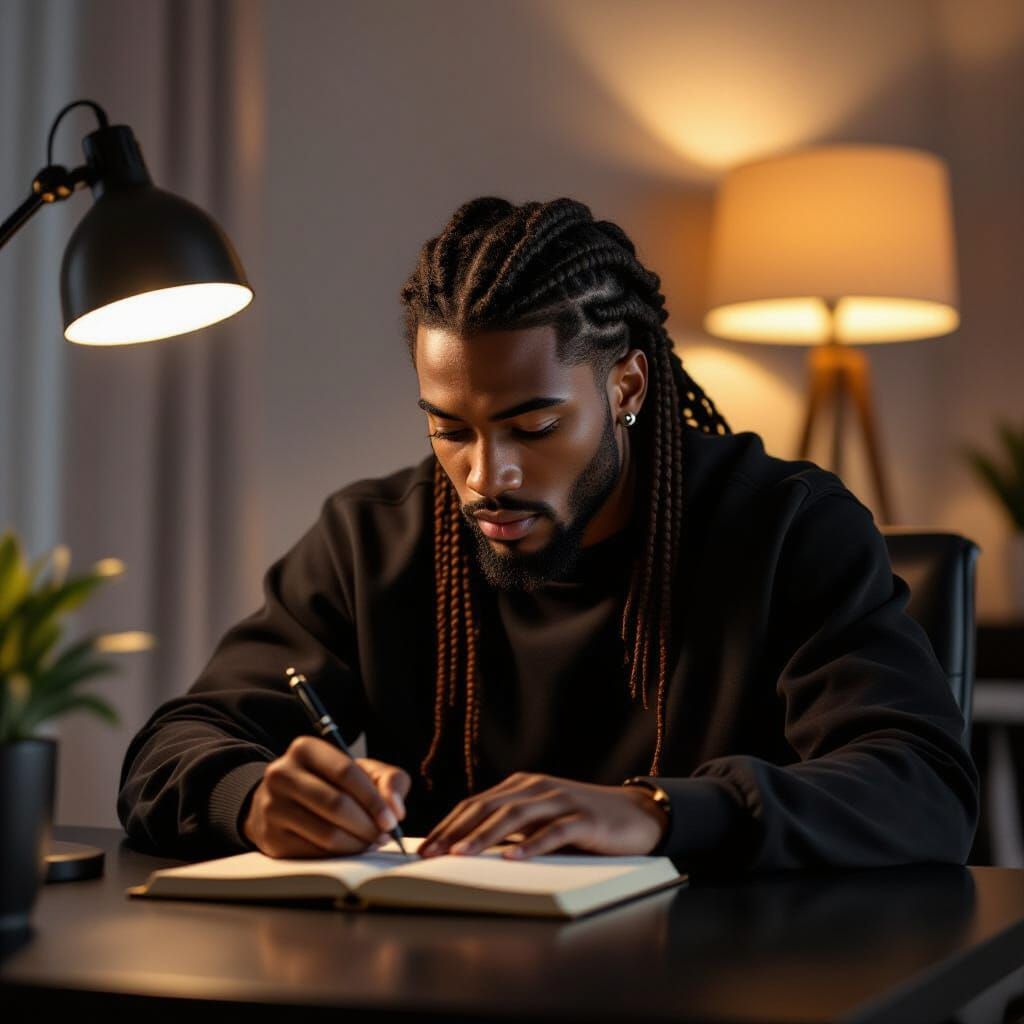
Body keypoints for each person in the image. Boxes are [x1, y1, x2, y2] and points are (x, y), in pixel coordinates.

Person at [116, 196, 979, 872]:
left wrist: (659, 812)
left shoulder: (786, 526)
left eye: (533, 427)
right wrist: (254, 794)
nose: (489, 476)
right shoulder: (372, 538)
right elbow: (169, 751)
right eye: (450, 429)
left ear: (628, 385)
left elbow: (922, 786)